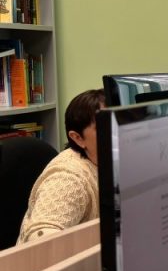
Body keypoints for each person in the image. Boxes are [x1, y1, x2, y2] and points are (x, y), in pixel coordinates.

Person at [17, 89, 105, 245]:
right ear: (78, 138)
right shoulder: (69, 178)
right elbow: (42, 241)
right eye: (105, 125)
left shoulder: (113, 162)